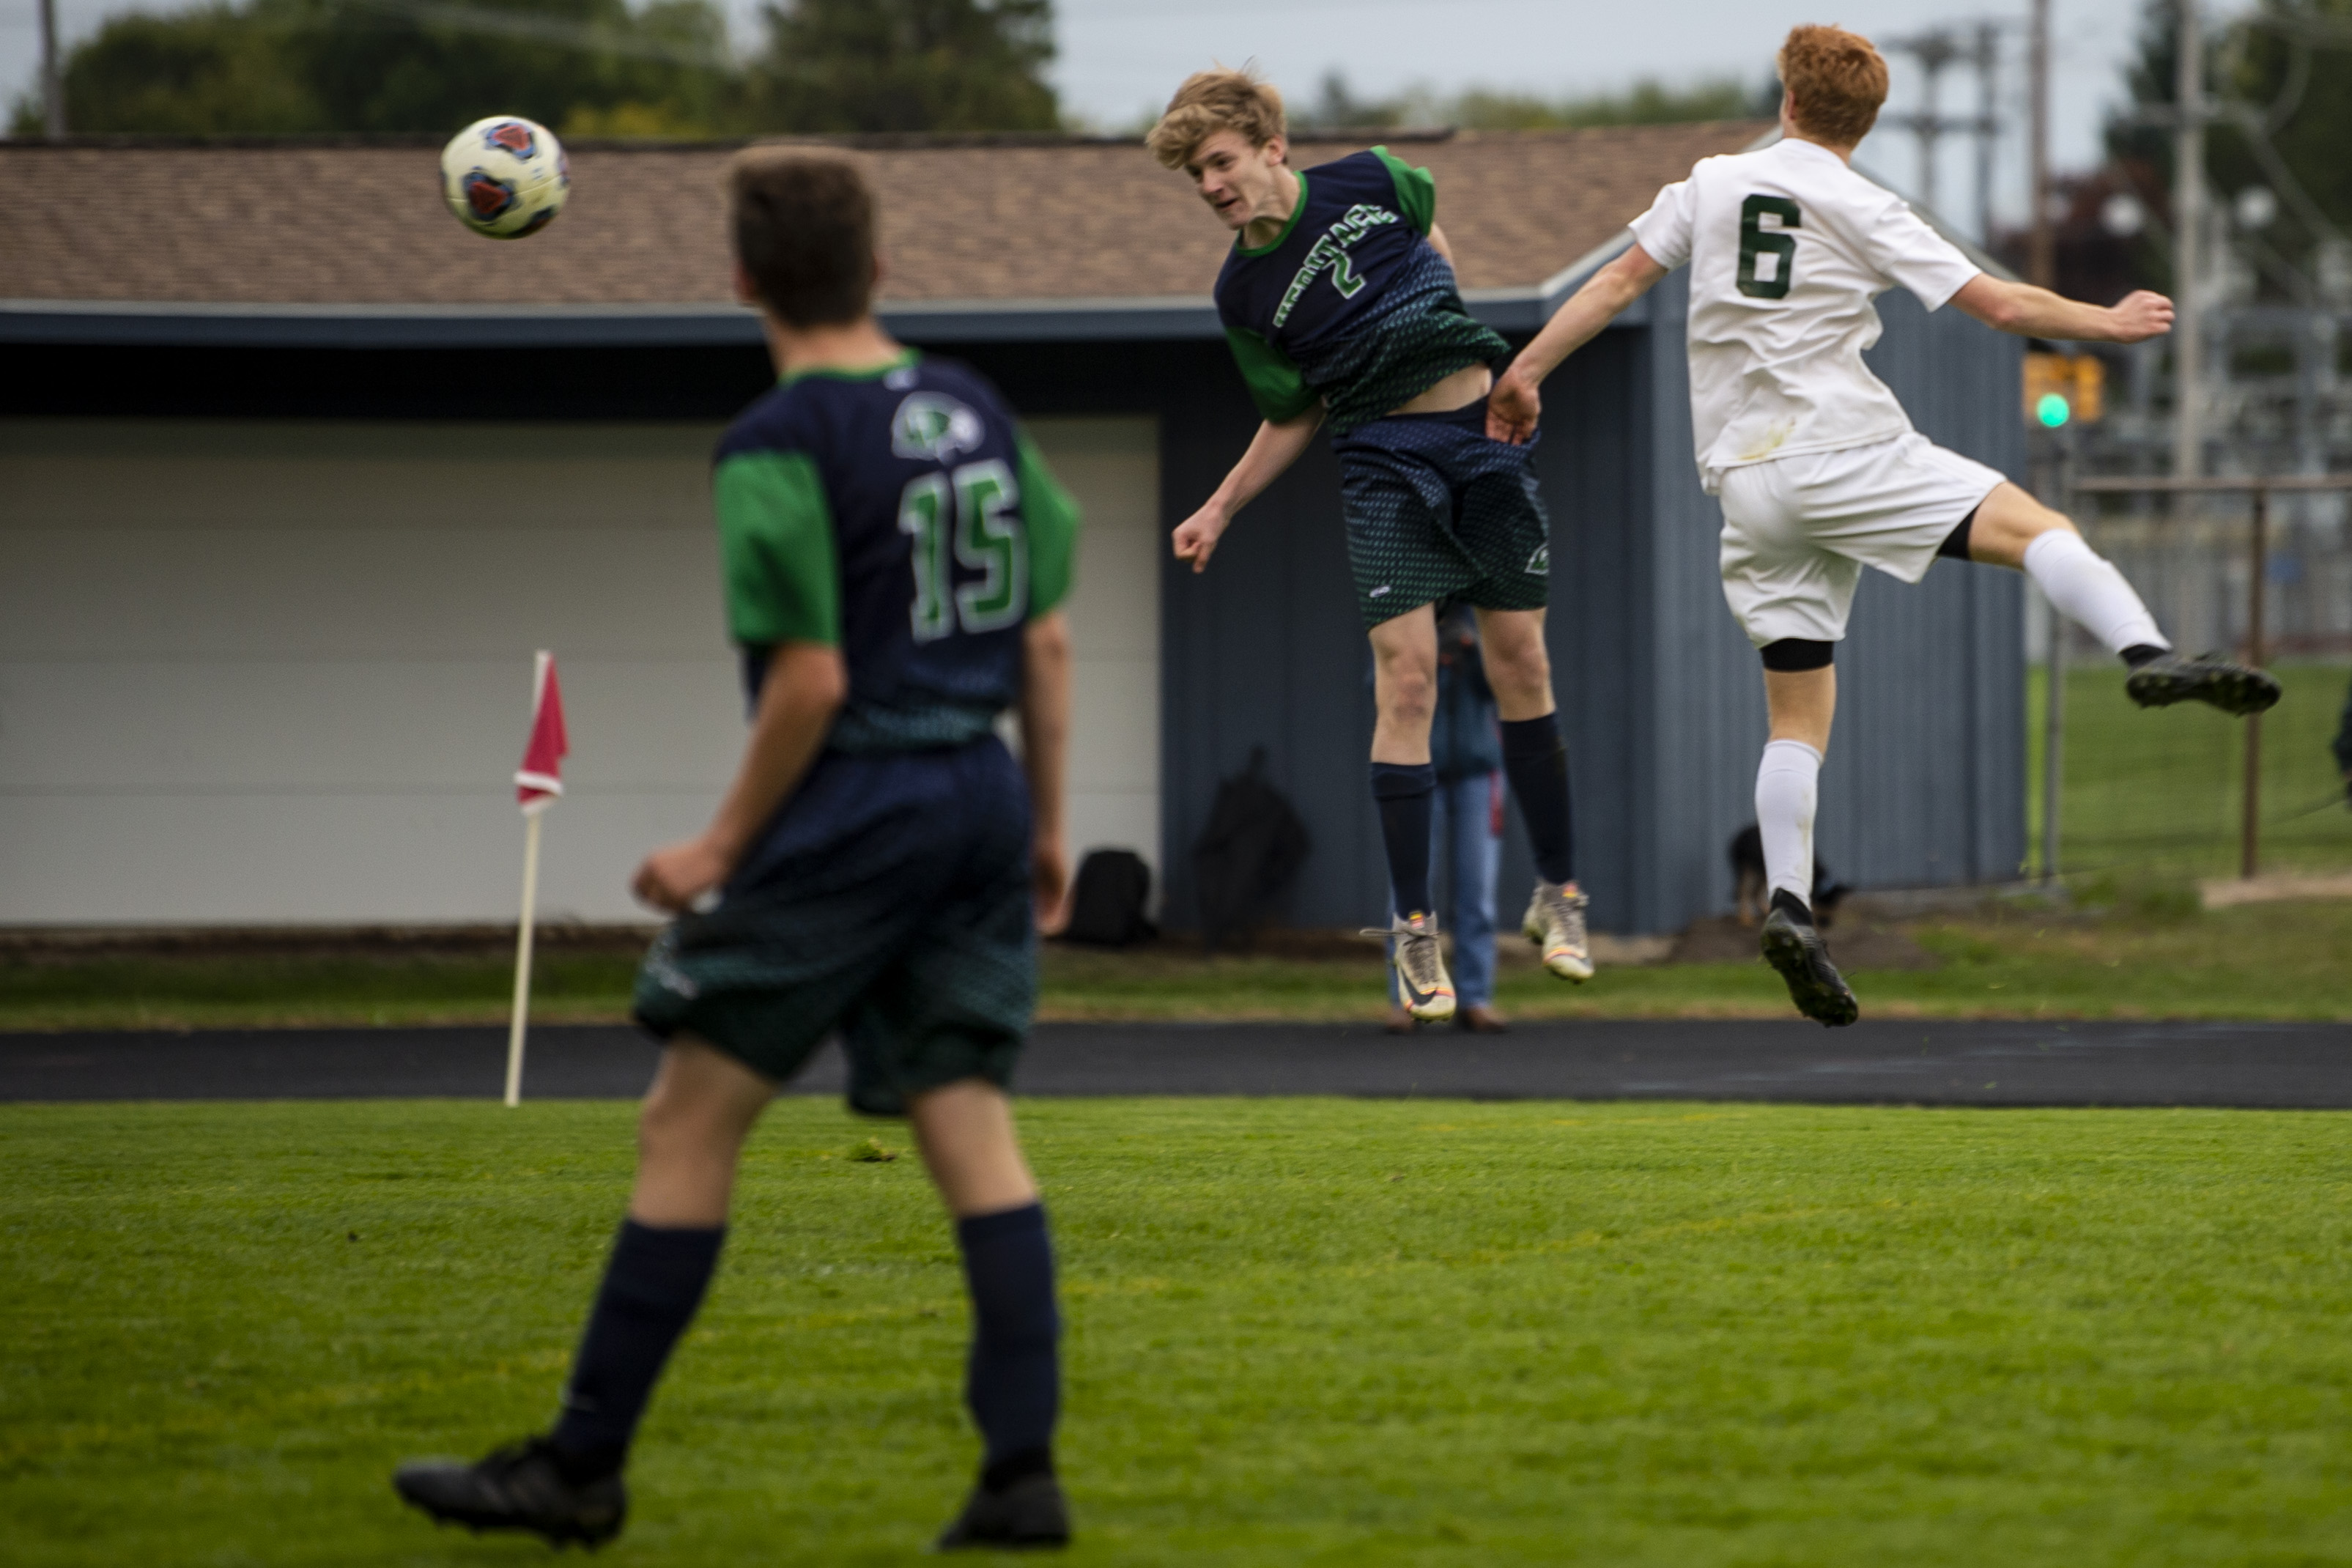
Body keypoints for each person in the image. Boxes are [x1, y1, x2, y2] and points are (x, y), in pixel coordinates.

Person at [391, 152, 1081, 1551]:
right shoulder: (975, 405)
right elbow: (1047, 639)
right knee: (969, 1126)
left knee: (686, 1123)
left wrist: (716, 845)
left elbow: (813, 683)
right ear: (883, 270)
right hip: (981, 793)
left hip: (860, 800)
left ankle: (581, 1466)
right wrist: (1051, 830)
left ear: (744, 280)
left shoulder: (778, 441)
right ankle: (1021, 1477)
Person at [1489, 23, 2279, 1028]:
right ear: (1865, 123)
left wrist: (1524, 372)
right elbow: (1997, 305)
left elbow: (1612, 283)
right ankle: (2145, 649)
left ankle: (1786, 903)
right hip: (1839, 450)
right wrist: (2106, 320)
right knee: (2039, 530)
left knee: (1794, 720)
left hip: (1743, 485)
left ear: (1785, 98)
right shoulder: (1862, 200)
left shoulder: (1711, 182)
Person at [1149, 67, 1593, 1026]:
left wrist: (1474, 371)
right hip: (1378, 462)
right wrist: (1220, 507)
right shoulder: (1243, 293)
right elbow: (1291, 413)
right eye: (1193, 174)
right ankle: (1412, 930)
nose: (1209, 185)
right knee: (1407, 684)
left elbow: (1434, 255)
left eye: (1218, 161)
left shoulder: (1379, 179)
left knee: (1521, 661)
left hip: (1479, 441)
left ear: (1271, 147)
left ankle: (1559, 895)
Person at [1387, 602, 1509, 1032]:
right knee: (1410, 893)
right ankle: (1410, 997)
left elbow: (1507, 689)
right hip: (1419, 772)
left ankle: (1475, 997)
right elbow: (1377, 688)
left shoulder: (1483, 626)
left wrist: (1473, 654)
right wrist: (1425, 665)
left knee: (1476, 892)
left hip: (1479, 775)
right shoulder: (1400, 621)